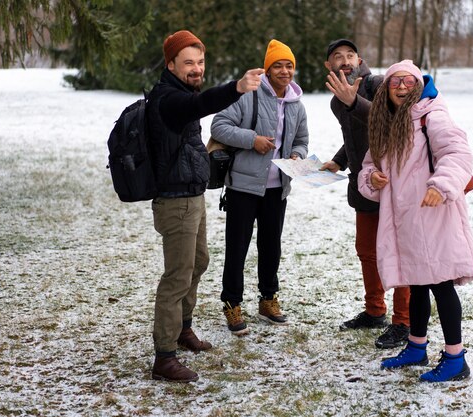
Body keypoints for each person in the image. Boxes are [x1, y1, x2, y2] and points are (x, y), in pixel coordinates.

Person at [146, 29, 264, 382]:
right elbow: (198, 106)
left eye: (200, 62)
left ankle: (183, 329)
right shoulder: (169, 97)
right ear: (171, 64)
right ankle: (164, 356)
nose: (196, 69)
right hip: (175, 202)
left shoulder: (182, 90)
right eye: (188, 63)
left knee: (198, 262)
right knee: (177, 276)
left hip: (192, 197)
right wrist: (236, 89)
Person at [358, 59, 473, 382]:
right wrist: (373, 178)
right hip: (405, 221)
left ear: (418, 86)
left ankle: (456, 358)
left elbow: (458, 153)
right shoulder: (386, 122)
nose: (401, 87)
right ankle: (417, 346)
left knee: (441, 284)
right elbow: (368, 165)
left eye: (408, 82)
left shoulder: (432, 115)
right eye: (395, 82)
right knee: (417, 284)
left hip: (434, 215)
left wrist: (441, 185)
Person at [210, 39, 309, 336]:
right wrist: (252, 140)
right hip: (243, 186)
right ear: (267, 69)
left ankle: (268, 300)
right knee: (237, 248)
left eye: (289, 65)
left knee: (271, 247)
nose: (284, 70)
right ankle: (232, 303)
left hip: (278, 188)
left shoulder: (297, 105)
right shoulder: (249, 96)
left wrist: (297, 156)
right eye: (277, 65)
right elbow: (218, 126)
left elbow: (302, 142)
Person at [320, 39, 411, 349]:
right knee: (366, 251)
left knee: (397, 254)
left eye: (350, 55)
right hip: (362, 185)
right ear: (328, 66)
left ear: (360, 60)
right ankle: (375, 311)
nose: (345, 61)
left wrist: (353, 101)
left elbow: (391, 124)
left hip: (391, 183)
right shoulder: (336, 102)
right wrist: (340, 160)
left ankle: (403, 321)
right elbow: (356, 137)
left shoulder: (378, 85)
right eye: (337, 57)